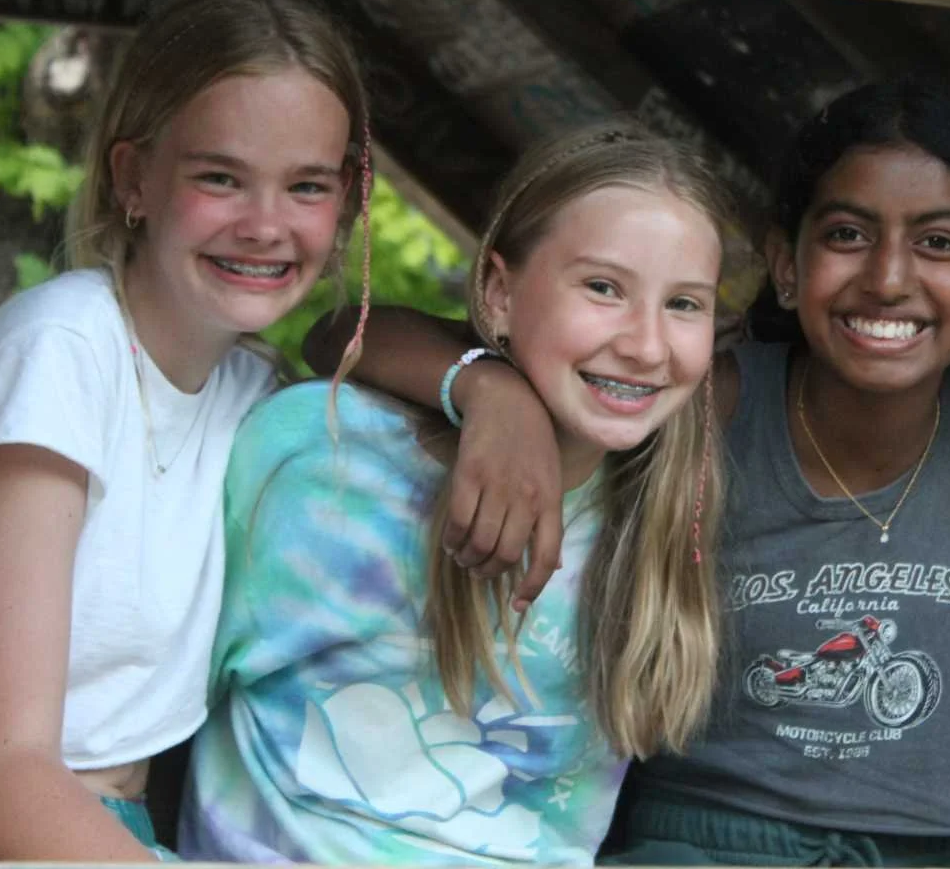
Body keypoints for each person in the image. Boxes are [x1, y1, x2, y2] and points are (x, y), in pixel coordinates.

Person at [305, 77, 950, 867]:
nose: (890, 277)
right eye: (849, 234)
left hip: (942, 854)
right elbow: (342, 334)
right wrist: (491, 395)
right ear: (789, 259)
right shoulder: (711, 394)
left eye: (939, 244)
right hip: (711, 843)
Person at [177, 120, 731, 865]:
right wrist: (489, 390)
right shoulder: (319, 456)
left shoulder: (659, 511)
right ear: (499, 293)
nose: (646, 344)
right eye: (603, 288)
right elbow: (152, 713)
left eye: (685, 304)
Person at [0, 0, 371, 860]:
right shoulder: (61, 352)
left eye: (306, 186)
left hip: (119, 830)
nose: (265, 225)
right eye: (220, 177)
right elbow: (0, 770)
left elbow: (371, 350)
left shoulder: (250, 392)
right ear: (133, 178)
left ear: (347, 204)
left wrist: (485, 391)